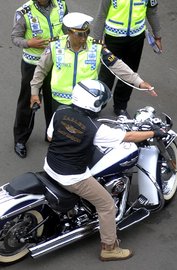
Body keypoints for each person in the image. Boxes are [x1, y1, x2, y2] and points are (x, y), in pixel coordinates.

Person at [43, 79, 166, 261]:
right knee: (107, 205)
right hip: (72, 177)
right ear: (92, 103)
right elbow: (129, 136)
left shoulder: (60, 113)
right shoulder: (96, 129)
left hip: (51, 165)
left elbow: (50, 135)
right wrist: (154, 133)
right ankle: (109, 248)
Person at [30, 12, 156, 114]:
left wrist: (139, 82)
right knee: (61, 139)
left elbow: (116, 65)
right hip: (61, 101)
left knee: (86, 140)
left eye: (86, 33)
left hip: (87, 102)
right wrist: (34, 92)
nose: (84, 38)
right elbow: (41, 69)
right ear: (69, 32)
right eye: (79, 35)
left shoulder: (96, 46)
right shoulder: (54, 46)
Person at [11, 0, 68, 158]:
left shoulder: (61, 5)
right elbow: (15, 37)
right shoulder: (24, 12)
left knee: (54, 100)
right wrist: (29, 43)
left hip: (55, 62)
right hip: (33, 64)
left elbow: (66, 29)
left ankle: (52, 134)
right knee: (29, 102)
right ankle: (20, 139)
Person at [91, 0, 162, 117]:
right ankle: (98, 105)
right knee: (107, 75)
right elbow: (101, 14)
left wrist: (157, 35)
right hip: (113, 38)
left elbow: (152, 13)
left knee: (130, 72)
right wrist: (97, 41)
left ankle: (120, 106)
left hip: (136, 38)